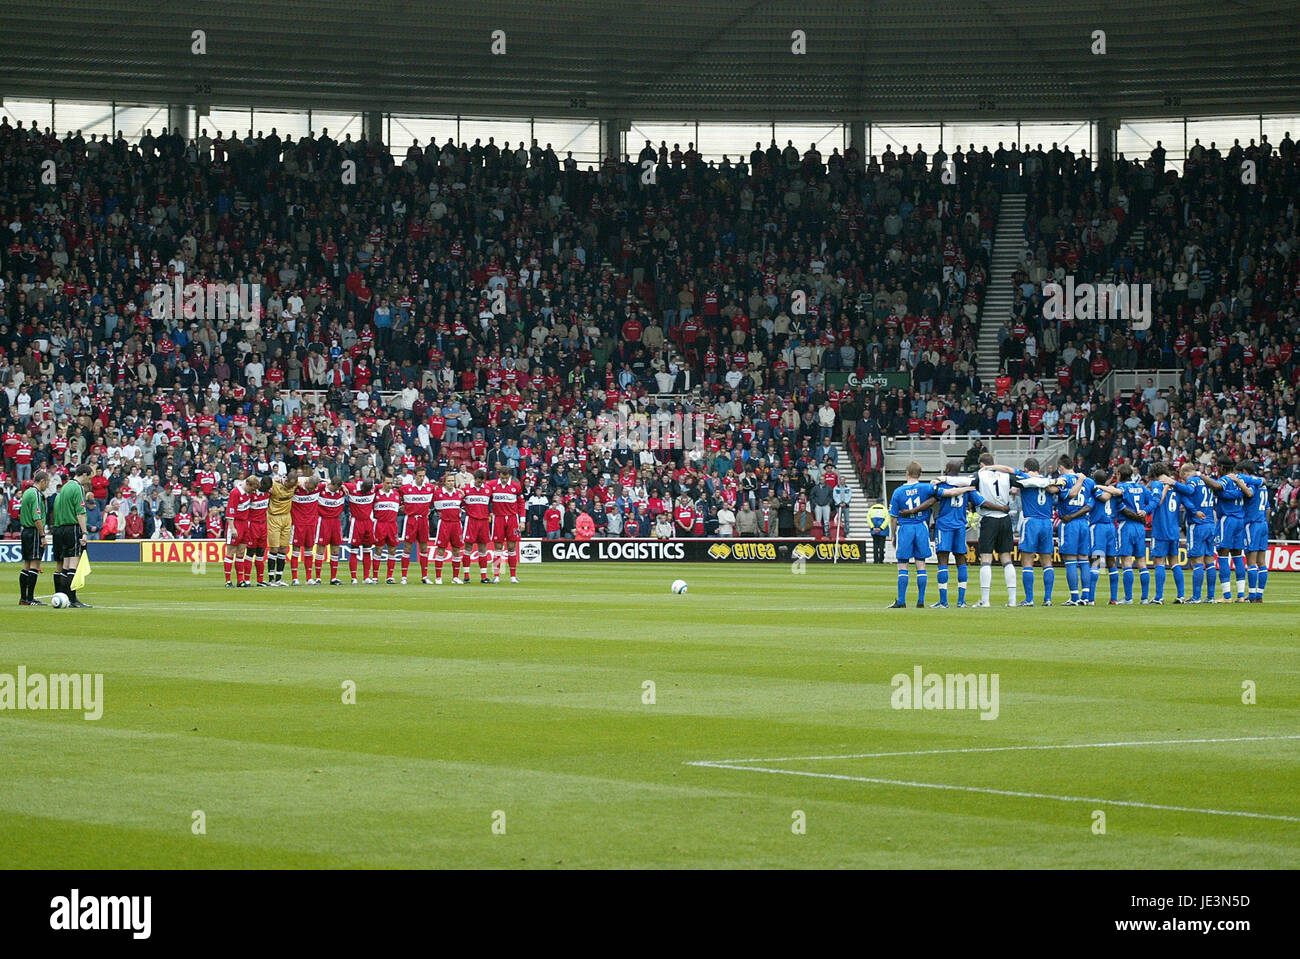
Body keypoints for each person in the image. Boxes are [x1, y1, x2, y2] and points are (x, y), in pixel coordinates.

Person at [1013, 458, 1063, 607]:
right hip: (1047, 522)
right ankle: (1047, 599)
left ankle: (1029, 599)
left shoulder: (1025, 478)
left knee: (1027, 560)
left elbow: (1014, 489)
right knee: (1047, 560)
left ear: (1026, 468)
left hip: (1031, 522)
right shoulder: (1049, 480)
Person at [887, 461, 936, 609]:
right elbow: (938, 495)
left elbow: (893, 517)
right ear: (920, 474)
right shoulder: (926, 488)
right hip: (921, 526)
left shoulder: (898, 492)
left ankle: (901, 600)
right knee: (921, 563)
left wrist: (893, 535)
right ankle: (921, 600)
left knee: (903, 563)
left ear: (906, 473)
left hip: (906, 527)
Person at [972, 453, 1018, 607]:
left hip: (989, 519)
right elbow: (1021, 482)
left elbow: (967, 484)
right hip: (1004, 519)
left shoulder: (979, 474)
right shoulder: (1005, 475)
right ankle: (1012, 600)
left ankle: (985, 600)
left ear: (981, 464)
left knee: (986, 558)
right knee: (1006, 558)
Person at [1169, 463, 1218, 603]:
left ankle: (1196, 597)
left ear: (1184, 473)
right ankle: (1211, 596)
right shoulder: (1207, 481)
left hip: (1197, 525)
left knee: (1197, 561)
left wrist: (1174, 484)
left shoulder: (1192, 480)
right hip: (1210, 524)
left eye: (1181, 477)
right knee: (1210, 561)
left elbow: (1189, 491)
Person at [1053, 456, 1095, 606]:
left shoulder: (1063, 479)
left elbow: (1068, 495)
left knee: (1070, 560)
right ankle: (1086, 596)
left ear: (1061, 467)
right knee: (1084, 559)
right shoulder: (1089, 481)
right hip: (1085, 522)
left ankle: (1074, 598)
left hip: (1069, 523)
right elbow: (1093, 500)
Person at [51, 463, 93, 607]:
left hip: (62, 528)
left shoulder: (66, 486)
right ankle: (73, 599)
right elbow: (80, 512)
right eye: (89, 477)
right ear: (84, 474)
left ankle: (63, 597)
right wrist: (85, 532)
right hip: (73, 527)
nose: (89, 481)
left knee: (66, 565)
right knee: (73, 565)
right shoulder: (77, 487)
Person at [1114, 464, 1151, 604]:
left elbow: (1120, 506)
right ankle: (1145, 598)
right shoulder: (1141, 487)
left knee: (1126, 562)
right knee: (1142, 562)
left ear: (1119, 474)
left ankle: (1128, 598)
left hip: (1126, 526)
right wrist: (1145, 511)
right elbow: (1153, 500)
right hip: (1140, 527)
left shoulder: (1120, 488)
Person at [1235, 461, 1270, 602]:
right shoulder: (1263, 486)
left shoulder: (1253, 484)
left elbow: (1249, 493)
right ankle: (1259, 595)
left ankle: (1252, 595)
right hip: (1263, 524)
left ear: (1245, 471)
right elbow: (1268, 508)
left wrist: (1239, 482)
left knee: (1251, 561)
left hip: (1252, 524)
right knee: (1262, 562)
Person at [398, 465, 435, 584]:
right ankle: (404, 577)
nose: (422, 478)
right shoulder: (405, 489)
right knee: (407, 548)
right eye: (419, 476)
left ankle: (424, 576)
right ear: (415, 476)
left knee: (424, 548)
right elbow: (397, 499)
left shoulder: (430, 488)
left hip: (423, 520)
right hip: (411, 520)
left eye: (423, 476)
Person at [18, 469, 50, 605]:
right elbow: (37, 517)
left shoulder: (27, 493)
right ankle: (30, 598)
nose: (47, 485)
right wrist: (42, 535)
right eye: (47, 482)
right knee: (35, 565)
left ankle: (23, 598)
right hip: (34, 532)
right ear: (42, 481)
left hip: (25, 531)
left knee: (26, 565)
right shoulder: (36, 494)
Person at [487, 466, 524, 584]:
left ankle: (513, 576)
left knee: (512, 547)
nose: (504, 480)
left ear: (510, 476)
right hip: (498, 519)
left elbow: (521, 504)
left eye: (506, 478)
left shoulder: (516, 486)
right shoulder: (492, 485)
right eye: (502, 478)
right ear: (499, 475)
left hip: (513, 519)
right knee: (498, 548)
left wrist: (522, 520)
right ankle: (497, 575)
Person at [461, 469, 494, 583]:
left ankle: (483, 577)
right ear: (474, 479)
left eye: (481, 482)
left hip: (484, 521)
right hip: (471, 521)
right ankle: (466, 576)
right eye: (478, 481)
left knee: (483, 549)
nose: (479, 483)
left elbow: (490, 504)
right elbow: (461, 503)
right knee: (468, 548)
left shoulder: (488, 490)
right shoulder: (466, 490)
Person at [431, 476, 465, 584]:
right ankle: (438, 578)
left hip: (456, 524)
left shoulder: (459, 494)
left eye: (452, 481)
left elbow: (463, 506)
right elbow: (437, 509)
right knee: (441, 550)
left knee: (456, 550)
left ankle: (455, 577)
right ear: (444, 483)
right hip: (444, 524)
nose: (451, 483)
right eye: (449, 481)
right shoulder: (438, 494)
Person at [344, 477, 377, 584]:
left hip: (368, 522)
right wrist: (343, 487)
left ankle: (366, 577)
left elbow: (385, 486)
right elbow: (338, 483)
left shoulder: (373, 489)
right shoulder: (352, 487)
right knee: (354, 550)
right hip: (356, 522)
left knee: (367, 550)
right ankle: (354, 578)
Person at [314, 477, 347, 585]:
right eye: (336, 488)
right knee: (320, 549)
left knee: (335, 550)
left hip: (336, 522)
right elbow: (309, 480)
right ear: (332, 484)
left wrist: (343, 486)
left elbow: (358, 485)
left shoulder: (342, 491)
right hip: (323, 521)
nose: (337, 490)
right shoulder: (321, 489)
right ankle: (318, 578)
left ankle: (333, 578)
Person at [372, 473, 402, 583]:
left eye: (391, 483)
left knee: (392, 550)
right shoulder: (376, 494)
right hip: (380, 524)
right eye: (387, 483)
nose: (389, 485)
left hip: (392, 525)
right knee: (378, 549)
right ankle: (375, 577)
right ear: (382, 483)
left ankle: (389, 576)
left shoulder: (396, 494)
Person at [866, 499, 889, 563]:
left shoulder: (871, 509)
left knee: (875, 545)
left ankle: (875, 560)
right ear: (882, 502)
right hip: (883, 531)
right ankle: (881, 560)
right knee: (882, 546)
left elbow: (868, 518)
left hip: (874, 530)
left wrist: (873, 527)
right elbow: (887, 520)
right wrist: (881, 528)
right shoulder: (885, 509)